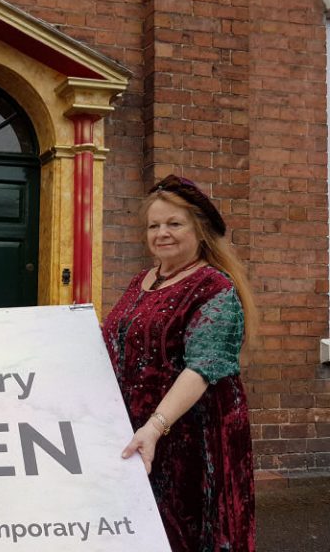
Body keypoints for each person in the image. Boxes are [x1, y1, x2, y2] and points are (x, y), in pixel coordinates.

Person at [101, 174, 256, 552]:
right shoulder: (143, 279)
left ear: (199, 229)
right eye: (154, 225)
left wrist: (156, 426)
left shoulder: (214, 287)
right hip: (139, 429)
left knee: (185, 532)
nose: (161, 233)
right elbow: (114, 344)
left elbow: (202, 366)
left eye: (174, 223)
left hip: (190, 435)